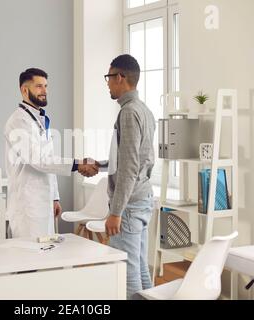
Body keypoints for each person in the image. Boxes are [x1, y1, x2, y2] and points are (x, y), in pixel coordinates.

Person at [4, 68, 98, 238]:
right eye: (39, 86)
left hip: (43, 200)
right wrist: (77, 163)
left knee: (46, 253)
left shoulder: (39, 119)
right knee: (30, 257)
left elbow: (49, 160)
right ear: (24, 90)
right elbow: (39, 160)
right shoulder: (18, 121)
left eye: (46, 86)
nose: (45, 91)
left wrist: (54, 197)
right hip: (27, 204)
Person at [101, 55, 156, 299]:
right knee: (141, 267)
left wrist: (116, 212)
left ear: (120, 78)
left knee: (126, 273)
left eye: (109, 78)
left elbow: (130, 167)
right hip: (142, 200)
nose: (107, 84)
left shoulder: (128, 113)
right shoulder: (144, 110)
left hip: (130, 206)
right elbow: (134, 159)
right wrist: (100, 165)